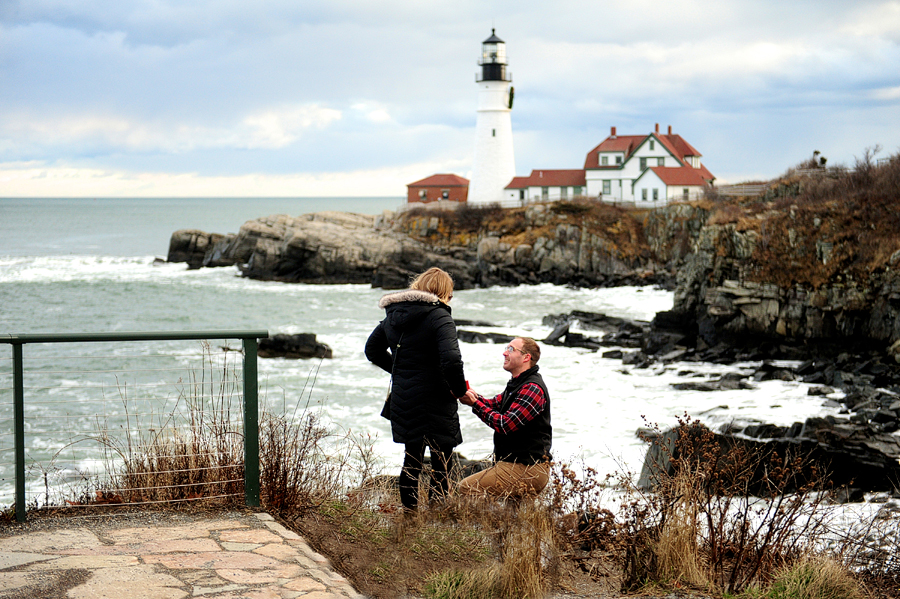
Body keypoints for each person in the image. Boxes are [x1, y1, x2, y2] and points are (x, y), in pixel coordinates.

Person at [365, 267, 468, 513]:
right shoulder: (440, 316)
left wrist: (401, 372)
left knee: (411, 459)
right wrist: (459, 390)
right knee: (442, 461)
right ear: (444, 293)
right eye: (450, 295)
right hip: (436, 397)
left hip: (404, 397)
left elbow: (372, 350)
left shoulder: (394, 315)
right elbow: (452, 360)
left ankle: (410, 516)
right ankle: (436, 517)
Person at [458, 337, 552, 498]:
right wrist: (472, 395)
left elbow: (505, 424)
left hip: (527, 468)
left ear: (526, 357)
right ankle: (574, 521)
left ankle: (481, 523)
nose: (504, 353)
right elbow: (493, 404)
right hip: (520, 465)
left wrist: (474, 404)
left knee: (466, 488)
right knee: (515, 518)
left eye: (511, 349)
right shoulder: (518, 384)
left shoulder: (532, 388)